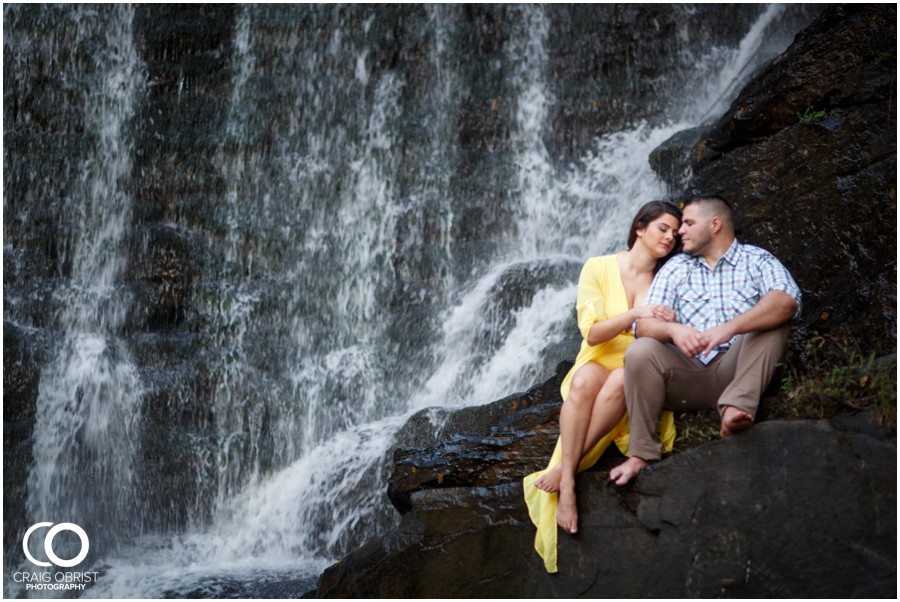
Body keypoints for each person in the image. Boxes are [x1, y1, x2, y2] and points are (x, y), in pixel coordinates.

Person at [522, 200, 682, 574]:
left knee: (618, 380)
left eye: (675, 233)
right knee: (581, 382)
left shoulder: (668, 276)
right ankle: (569, 478)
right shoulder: (598, 267)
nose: (670, 237)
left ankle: (565, 478)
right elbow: (592, 333)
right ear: (639, 228)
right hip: (598, 354)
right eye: (663, 228)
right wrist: (634, 314)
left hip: (638, 362)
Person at [609, 194, 801, 486]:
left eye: (687, 223)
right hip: (688, 375)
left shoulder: (757, 259)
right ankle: (642, 454)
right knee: (641, 349)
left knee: (772, 322)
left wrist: (730, 328)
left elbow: (786, 300)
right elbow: (643, 325)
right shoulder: (676, 268)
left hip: (740, 367)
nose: (679, 232)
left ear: (715, 224)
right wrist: (674, 330)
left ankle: (736, 407)